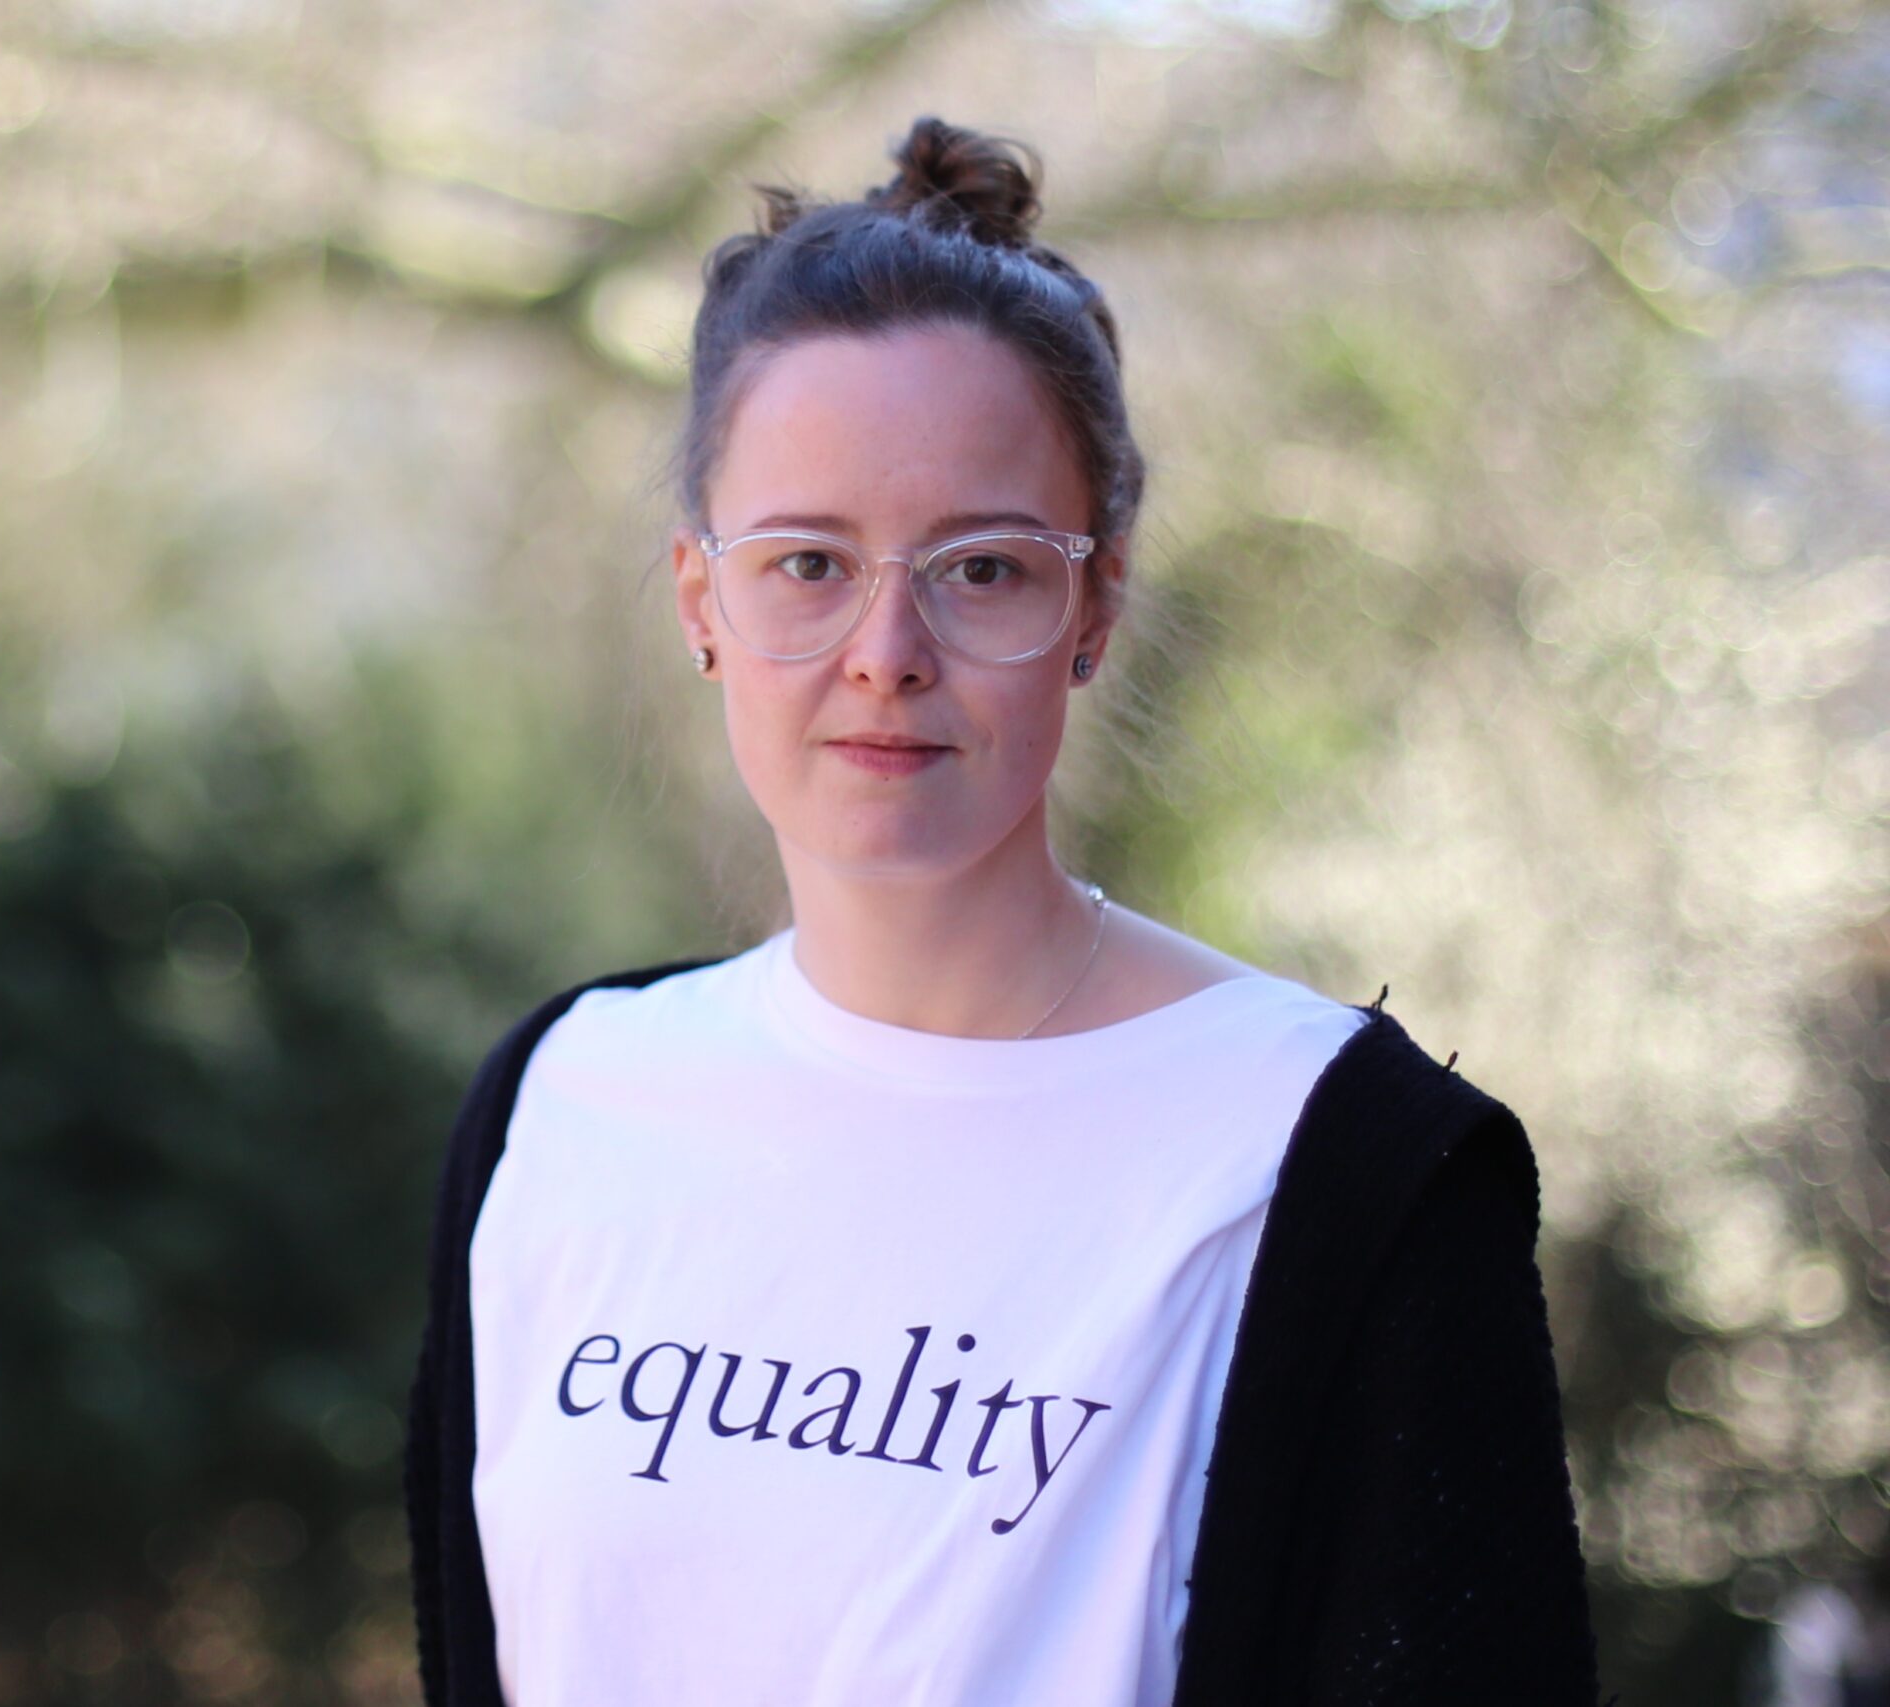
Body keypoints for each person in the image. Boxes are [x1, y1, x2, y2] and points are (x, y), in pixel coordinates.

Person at [404, 116, 1609, 1707]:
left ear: (1095, 600)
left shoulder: (1333, 1169)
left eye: (981, 569)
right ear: (704, 600)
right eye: (807, 563)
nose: (884, 653)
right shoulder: (560, 1107)